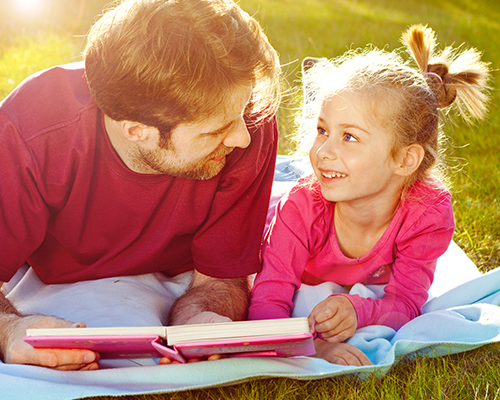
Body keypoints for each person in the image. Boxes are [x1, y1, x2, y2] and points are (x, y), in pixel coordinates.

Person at [0, 0, 280, 370]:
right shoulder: (29, 130)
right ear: (135, 131)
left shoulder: (249, 121)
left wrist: (199, 318)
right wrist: (9, 331)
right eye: (215, 130)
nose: (242, 138)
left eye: (240, 114)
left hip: (174, 273)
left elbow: (222, 278)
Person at [248, 24, 490, 366]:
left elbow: (406, 303)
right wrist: (309, 349)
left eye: (349, 137)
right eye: (322, 130)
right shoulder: (301, 209)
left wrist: (359, 310)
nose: (323, 151)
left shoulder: (428, 212)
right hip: (271, 215)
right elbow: (267, 301)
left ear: (405, 159)